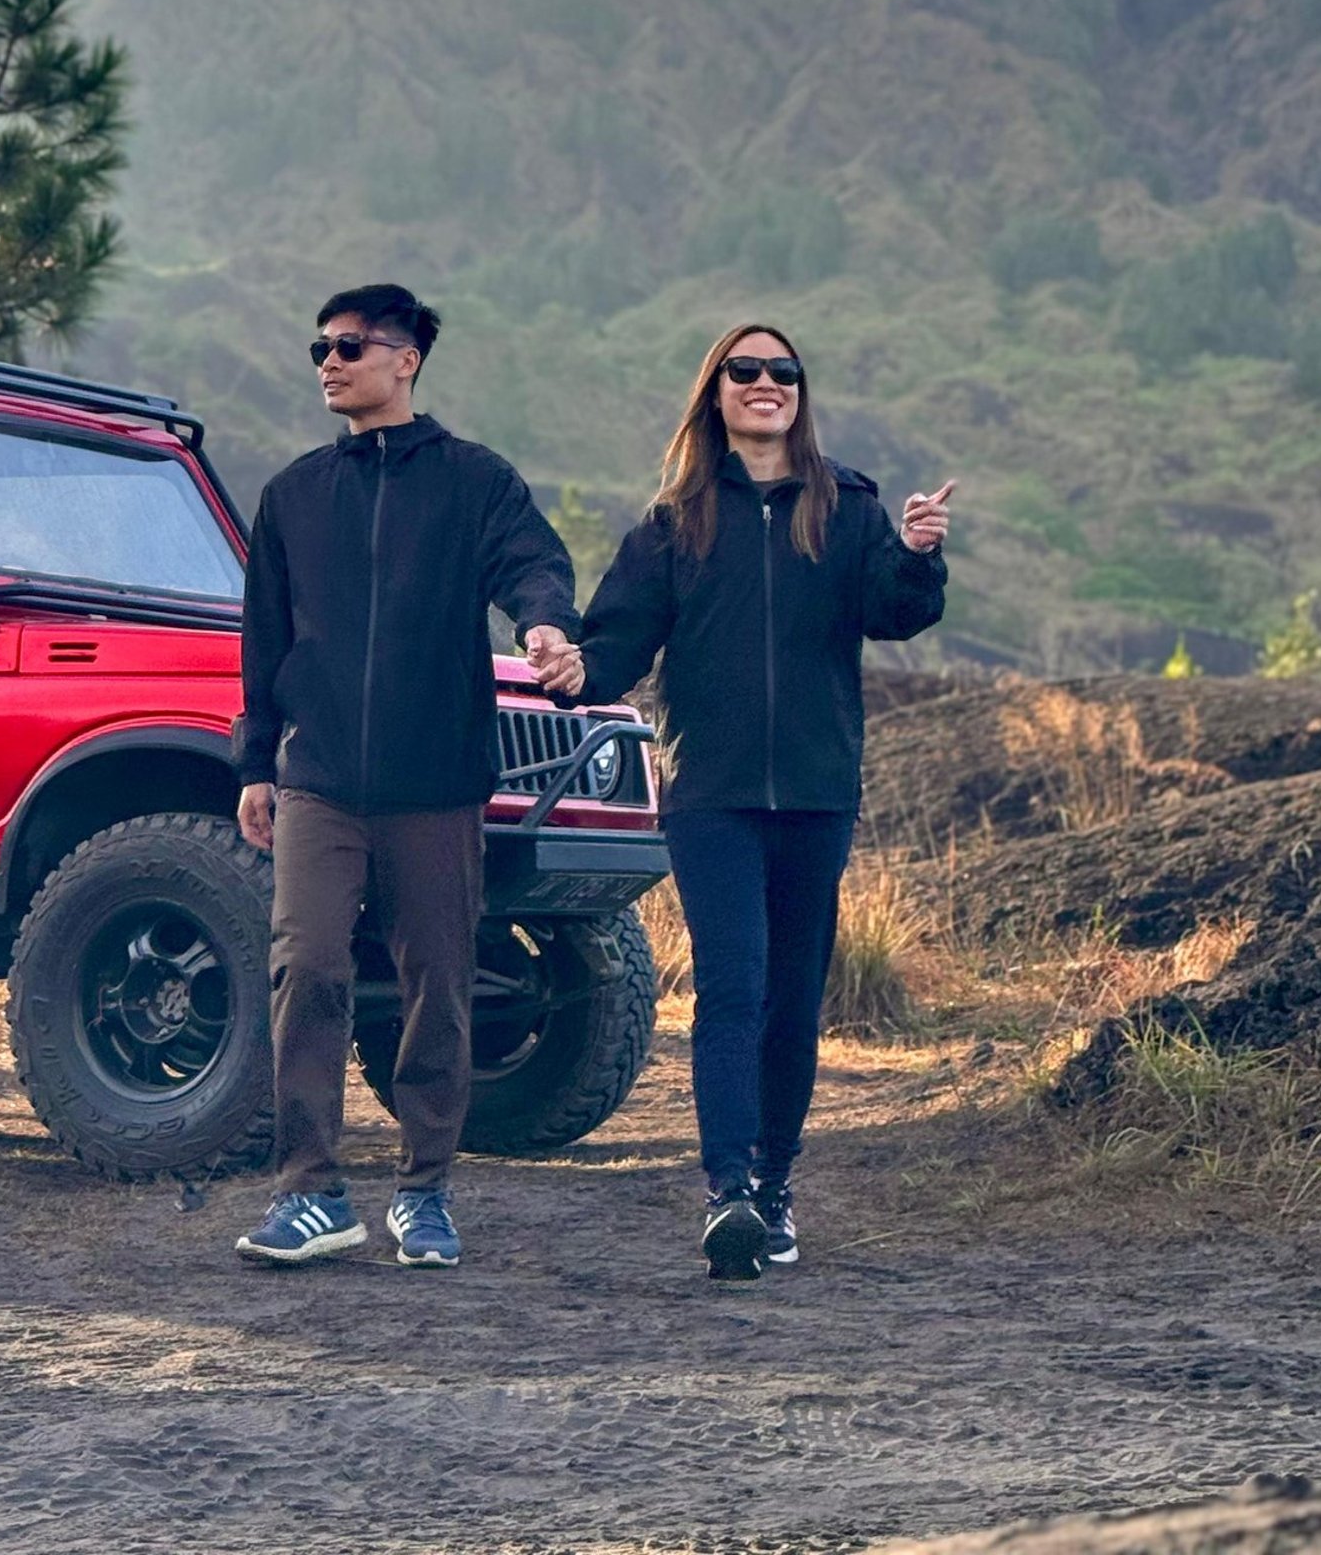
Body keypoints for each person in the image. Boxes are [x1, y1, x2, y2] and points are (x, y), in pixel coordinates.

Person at [535, 319, 951, 1282]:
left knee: (793, 1004)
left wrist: (921, 553)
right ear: (715, 393)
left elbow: (896, 613)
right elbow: (618, 646)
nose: (766, 383)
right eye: (745, 370)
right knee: (735, 989)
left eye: (784, 372)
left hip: (815, 795)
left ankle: (774, 1188)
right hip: (711, 796)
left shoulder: (846, 508)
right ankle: (727, 1194)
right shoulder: (674, 523)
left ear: (799, 395)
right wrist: (570, 667)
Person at [231, 283, 582, 1271]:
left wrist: (547, 625)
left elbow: (532, 567)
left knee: (439, 979)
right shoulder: (294, 495)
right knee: (306, 963)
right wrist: (257, 763)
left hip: (437, 783)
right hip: (319, 779)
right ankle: (308, 1190)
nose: (329, 363)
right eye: (319, 348)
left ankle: (425, 1188)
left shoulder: (474, 481)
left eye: (348, 346)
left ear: (406, 359)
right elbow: (263, 646)